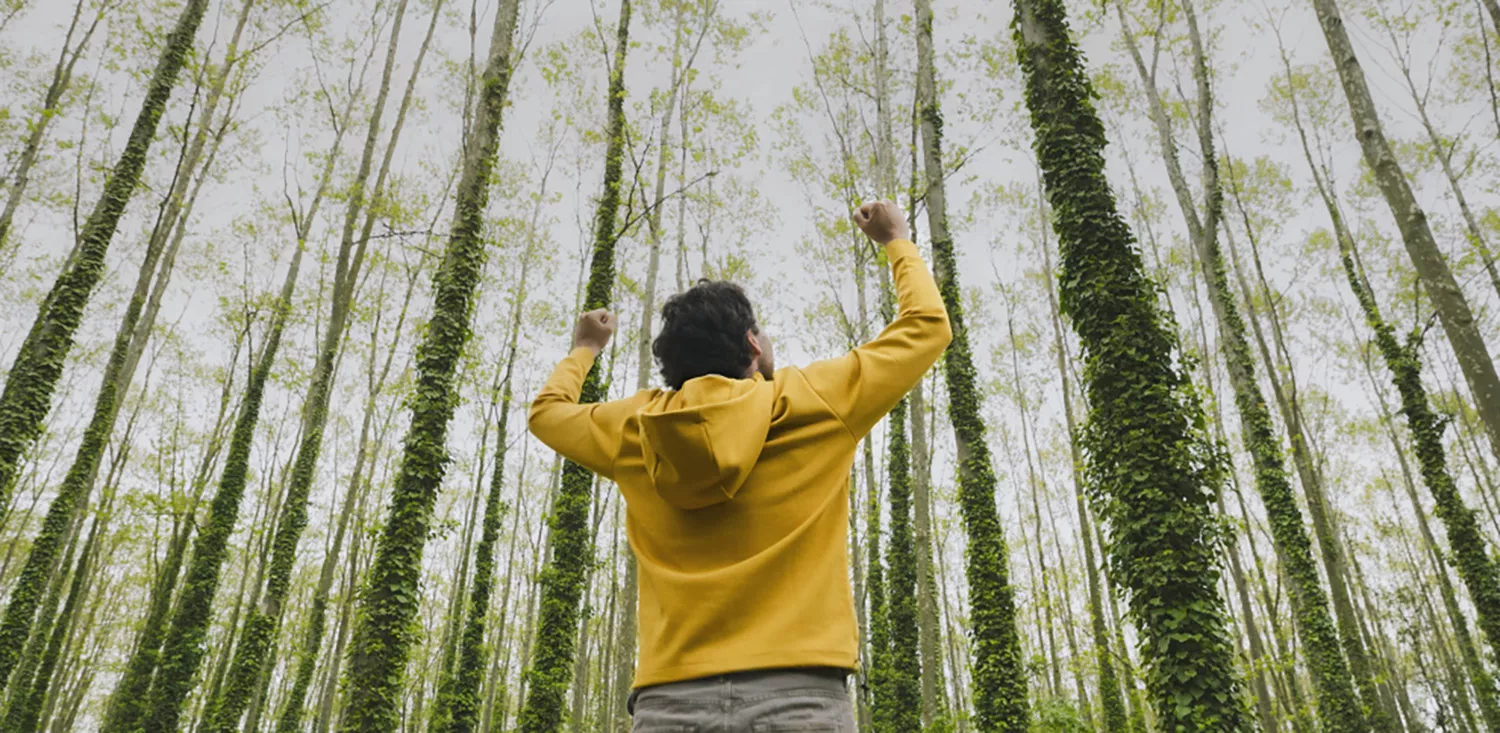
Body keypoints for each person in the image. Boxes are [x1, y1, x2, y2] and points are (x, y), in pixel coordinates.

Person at [528, 201, 951, 731]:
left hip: (669, 701)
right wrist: (897, 242)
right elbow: (927, 326)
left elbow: (548, 414)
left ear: (672, 366)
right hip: (801, 698)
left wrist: (586, 349)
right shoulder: (814, 400)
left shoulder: (635, 427)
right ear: (753, 343)